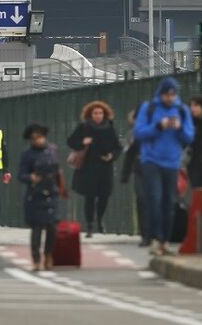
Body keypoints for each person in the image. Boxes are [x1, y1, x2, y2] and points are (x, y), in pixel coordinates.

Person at [134, 77, 195, 256]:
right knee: (154, 199)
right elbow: (139, 132)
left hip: (173, 161)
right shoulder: (149, 108)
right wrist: (158, 126)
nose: (169, 98)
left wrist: (179, 127)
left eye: (172, 94)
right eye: (166, 94)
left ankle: (165, 241)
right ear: (161, 94)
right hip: (151, 160)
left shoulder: (182, 110)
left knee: (170, 202)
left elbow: (190, 137)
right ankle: (156, 238)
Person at [67, 101, 122, 238]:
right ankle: (90, 225)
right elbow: (71, 141)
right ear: (90, 115)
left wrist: (111, 156)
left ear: (105, 114)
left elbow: (118, 147)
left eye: (100, 113)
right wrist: (82, 142)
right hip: (88, 167)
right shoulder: (84, 127)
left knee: (104, 196)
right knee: (89, 197)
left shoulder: (110, 127)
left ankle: (100, 220)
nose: (98, 115)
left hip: (105, 167)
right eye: (95, 113)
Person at [18, 123, 63, 271]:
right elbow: (21, 175)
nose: (38, 140)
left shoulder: (52, 150)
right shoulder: (27, 154)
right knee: (36, 228)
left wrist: (60, 187)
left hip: (51, 191)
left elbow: (58, 170)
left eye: (40, 137)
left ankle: (48, 254)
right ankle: (36, 258)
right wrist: (31, 177)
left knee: (52, 228)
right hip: (35, 193)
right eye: (34, 138)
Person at [121, 112, 150, 247]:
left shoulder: (157, 130)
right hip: (139, 169)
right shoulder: (133, 134)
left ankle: (157, 233)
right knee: (142, 199)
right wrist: (125, 174)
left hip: (157, 169)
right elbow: (129, 152)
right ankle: (145, 234)